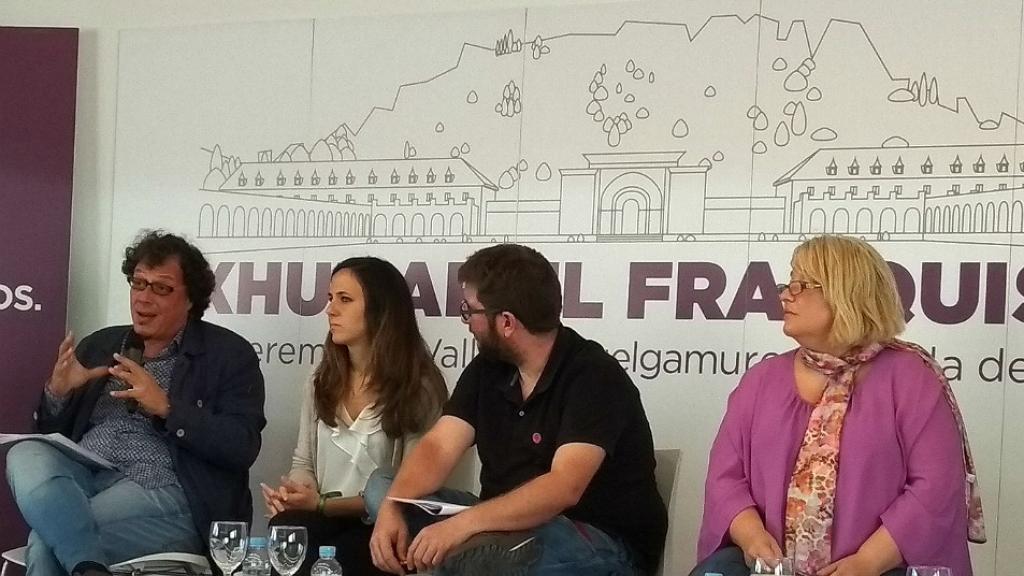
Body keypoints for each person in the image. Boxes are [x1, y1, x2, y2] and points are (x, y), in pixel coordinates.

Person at [365, 243, 667, 576]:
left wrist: (461, 526)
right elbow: (438, 446)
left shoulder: (594, 375)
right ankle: (464, 557)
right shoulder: (488, 369)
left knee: (501, 548)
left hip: (596, 541)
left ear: (506, 322)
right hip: (498, 527)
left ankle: (463, 557)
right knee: (384, 484)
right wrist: (395, 504)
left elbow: (564, 486)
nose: (465, 321)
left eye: (470, 311)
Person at [690, 235, 984, 576]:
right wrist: (752, 537)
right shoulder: (761, 380)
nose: (786, 294)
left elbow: (936, 487)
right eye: (788, 283)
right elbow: (725, 479)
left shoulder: (911, 378)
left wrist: (867, 563)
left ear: (844, 291)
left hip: (885, 567)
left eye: (801, 284)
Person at [5, 230, 266, 576]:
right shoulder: (100, 344)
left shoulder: (228, 354)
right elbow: (53, 436)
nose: (143, 299)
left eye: (161, 288)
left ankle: (85, 562)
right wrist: (58, 394)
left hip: (165, 490)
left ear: (191, 299)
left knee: (48, 539)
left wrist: (168, 408)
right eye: (138, 284)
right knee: (24, 453)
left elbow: (241, 446)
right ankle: (89, 566)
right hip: (86, 474)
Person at [261, 257, 448, 576]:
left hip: (384, 523)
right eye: (330, 299)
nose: (330, 310)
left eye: (345, 300)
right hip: (322, 517)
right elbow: (304, 462)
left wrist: (320, 505)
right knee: (287, 530)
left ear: (380, 309)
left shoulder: (420, 387)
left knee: (348, 555)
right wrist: (296, 495)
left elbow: (410, 491)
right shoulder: (320, 378)